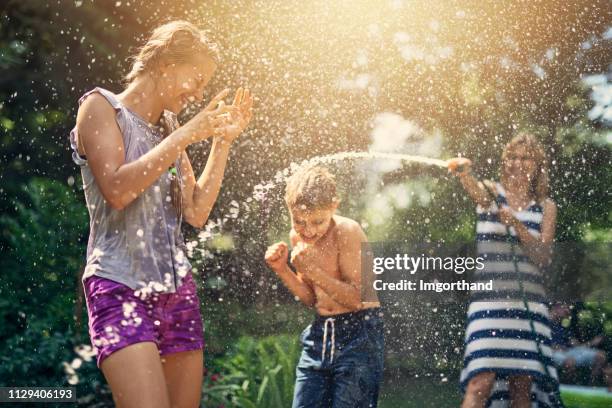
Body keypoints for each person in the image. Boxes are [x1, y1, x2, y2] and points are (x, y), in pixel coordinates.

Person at [69, 20, 253, 408]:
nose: (199, 93)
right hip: (118, 285)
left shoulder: (167, 127)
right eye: (197, 79)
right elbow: (117, 190)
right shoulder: (101, 107)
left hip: (176, 290)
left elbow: (196, 210)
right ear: (167, 63)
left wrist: (221, 142)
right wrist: (184, 135)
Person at [448, 132, 562, 407]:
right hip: (489, 304)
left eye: (526, 158)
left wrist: (518, 226)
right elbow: (472, 186)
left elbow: (543, 257)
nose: (518, 163)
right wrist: (463, 172)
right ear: (504, 161)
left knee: (521, 388)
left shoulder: (546, 207)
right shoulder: (490, 193)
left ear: (537, 165)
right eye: (513, 156)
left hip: (528, 308)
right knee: (479, 381)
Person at [265, 165, 384, 408]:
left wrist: (312, 270)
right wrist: (282, 269)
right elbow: (312, 299)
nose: (308, 230)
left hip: (358, 335)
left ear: (334, 205)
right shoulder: (298, 236)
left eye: (317, 221)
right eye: (299, 221)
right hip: (320, 335)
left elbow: (356, 300)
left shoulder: (347, 231)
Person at [549, 302, 608, 385]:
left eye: (568, 309)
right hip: (551, 352)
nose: (568, 311)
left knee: (601, 356)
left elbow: (577, 346)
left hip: (567, 352)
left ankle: (591, 386)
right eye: (565, 308)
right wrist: (556, 349)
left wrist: (592, 342)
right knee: (569, 361)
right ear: (556, 307)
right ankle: (563, 388)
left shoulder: (564, 327)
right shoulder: (544, 321)